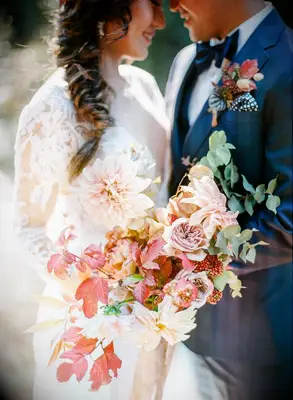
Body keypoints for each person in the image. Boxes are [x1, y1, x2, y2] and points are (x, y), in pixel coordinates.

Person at [13, 1, 170, 399]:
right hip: (90, 328)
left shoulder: (147, 87)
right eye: (151, 2)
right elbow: (28, 228)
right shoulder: (53, 108)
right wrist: (95, 288)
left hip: (155, 319)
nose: (162, 20)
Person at [165, 0, 293, 398]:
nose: (171, 5)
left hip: (263, 340)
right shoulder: (187, 60)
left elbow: (289, 216)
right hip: (194, 331)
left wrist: (196, 264)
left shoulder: (287, 60)